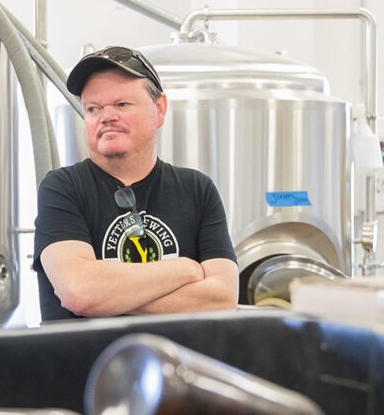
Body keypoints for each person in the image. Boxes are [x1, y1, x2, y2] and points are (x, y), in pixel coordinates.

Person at [33, 45, 238, 321]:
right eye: (93, 109)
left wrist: (110, 296)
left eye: (122, 104)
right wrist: (185, 269)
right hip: (86, 365)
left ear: (159, 108)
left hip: (176, 363)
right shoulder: (62, 188)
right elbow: (80, 293)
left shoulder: (197, 189)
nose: (106, 117)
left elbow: (222, 299)